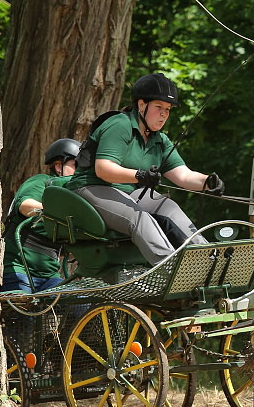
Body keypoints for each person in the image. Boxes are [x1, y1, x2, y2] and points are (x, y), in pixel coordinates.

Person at [65, 73, 224, 265]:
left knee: (170, 207)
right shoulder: (119, 125)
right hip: (90, 187)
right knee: (139, 217)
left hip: (130, 193)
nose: (164, 114)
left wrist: (207, 182)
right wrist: (139, 175)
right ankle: (169, 271)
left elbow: (183, 175)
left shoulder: (160, 139)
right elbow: (103, 169)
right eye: (159, 107)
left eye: (168, 109)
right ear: (141, 105)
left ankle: (211, 263)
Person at [1, 138, 80, 293]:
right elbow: (25, 206)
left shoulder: (73, 200)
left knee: (80, 303)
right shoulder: (43, 181)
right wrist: (56, 213)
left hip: (49, 276)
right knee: (24, 314)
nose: (79, 172)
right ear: (58, 166)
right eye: (75, 165)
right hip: (19, 269)